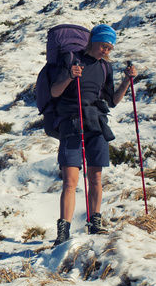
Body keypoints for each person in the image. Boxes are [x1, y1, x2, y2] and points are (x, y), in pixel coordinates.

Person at [47, 24, 136, 244]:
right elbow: (54, 92)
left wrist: (127, 80)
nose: (106, 51)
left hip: (96, 122)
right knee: (70, 180)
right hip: (71, 122)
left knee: (96, 176)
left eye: (110, 49)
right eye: (103, 46)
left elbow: (112, 101)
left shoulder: (106, 67)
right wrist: (70, 76)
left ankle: (95, 223)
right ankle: (63, 232)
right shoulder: (71, 59)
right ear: (93, 41)